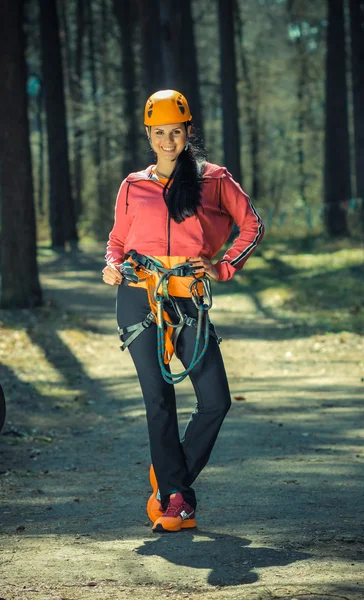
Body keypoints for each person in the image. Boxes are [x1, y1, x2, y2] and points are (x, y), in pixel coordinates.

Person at [103, 89, 264, 533]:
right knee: (159, 400)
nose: (168, 140)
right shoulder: (134, 184)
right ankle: (179, 502)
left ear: (188, 131)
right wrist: (111, 267)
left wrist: (224, 266)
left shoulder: (215, 180)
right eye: (159, 133)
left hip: (189, 296)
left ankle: (170, 478)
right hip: (140, 295)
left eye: (176, 132)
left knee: (216, 400)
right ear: (149, 135)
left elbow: (253, 223)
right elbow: (117, 241)